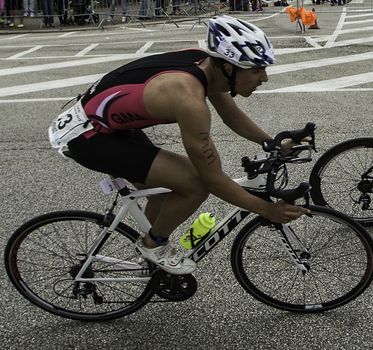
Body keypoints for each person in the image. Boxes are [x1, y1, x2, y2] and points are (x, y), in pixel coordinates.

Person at [55, 15, 306, 274]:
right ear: (229, 68)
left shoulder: (206, 65)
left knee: (165, 188)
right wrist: (266, 209)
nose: (264, 77)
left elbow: (231, 116)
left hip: (105, 124)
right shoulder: (188, 99)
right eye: (255, 69)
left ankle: (145, 258)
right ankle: (154, 245)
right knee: (194, 184)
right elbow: (212, 179)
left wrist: (272, 143)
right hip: (89, 137)